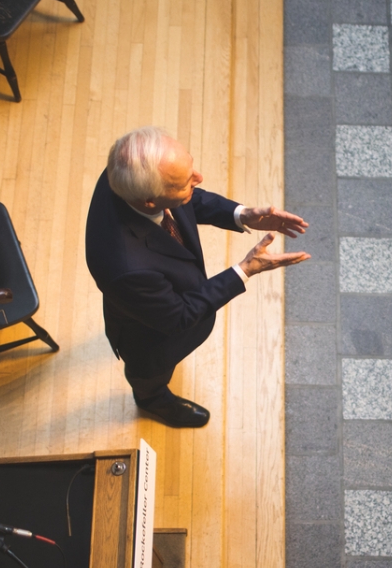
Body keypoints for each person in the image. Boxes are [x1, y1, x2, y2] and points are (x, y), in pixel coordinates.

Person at [85, 126, 309, 428]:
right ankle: (151, 401)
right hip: (150, 337)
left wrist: (241, 214)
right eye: (186, 183)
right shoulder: (127, 268)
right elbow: (179, 316)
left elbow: (185, 201)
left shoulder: (126, 172)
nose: (199, 179)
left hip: (149, 296)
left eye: (191, 169)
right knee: (149, 374)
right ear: (150, 201)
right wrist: (245, 269)